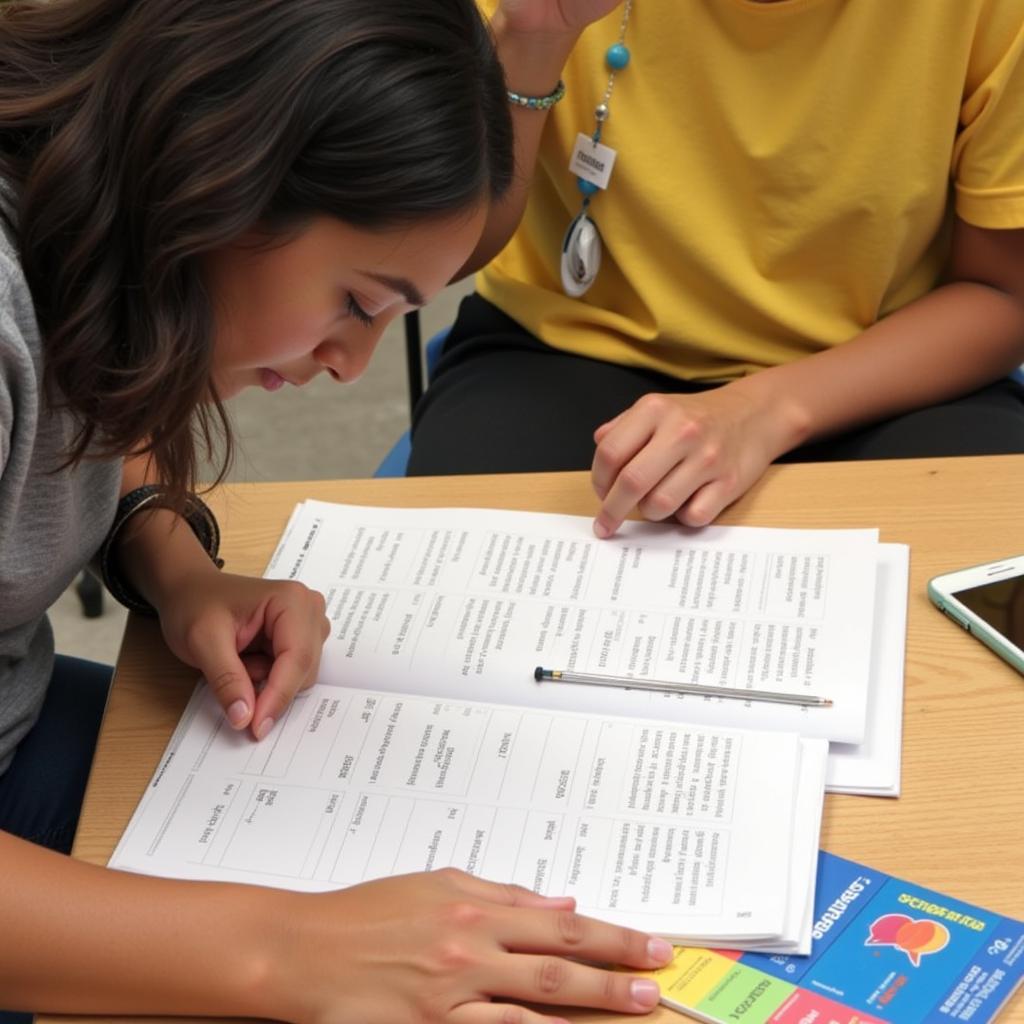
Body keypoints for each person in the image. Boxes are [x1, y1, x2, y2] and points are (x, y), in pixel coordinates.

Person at [0, 0, 673, 1018]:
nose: (351, 363)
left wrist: (174, 567)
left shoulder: (84, 225)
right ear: (221, 169)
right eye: (358, 302)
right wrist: (289, 950)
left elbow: (88, 425)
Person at [408, 0, 1024, 540]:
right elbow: (444, 249)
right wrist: (531, 40)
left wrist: (761, 411)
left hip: (885, 371)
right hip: (566, 346)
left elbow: (1003, 294)